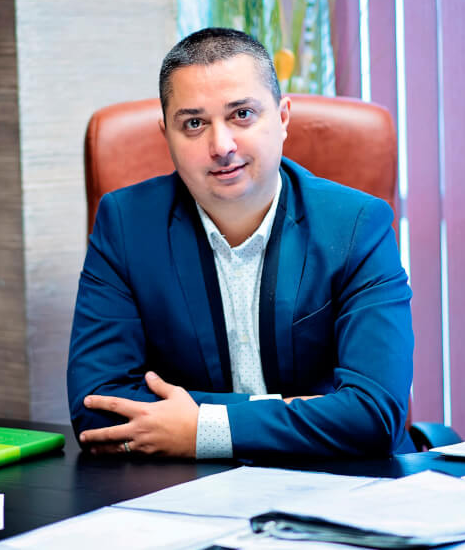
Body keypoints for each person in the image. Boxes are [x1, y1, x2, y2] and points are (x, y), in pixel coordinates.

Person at [67, 28, 413, 460]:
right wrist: (302, 410)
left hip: (342, 484)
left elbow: (374, 416)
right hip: (189, 488)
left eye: (242, 115)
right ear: (166, 134)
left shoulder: (358, 225)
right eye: (194, 124)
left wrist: (201, 428)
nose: (221, 146)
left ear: (283, 118)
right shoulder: (125, 224)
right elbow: (97, 407)